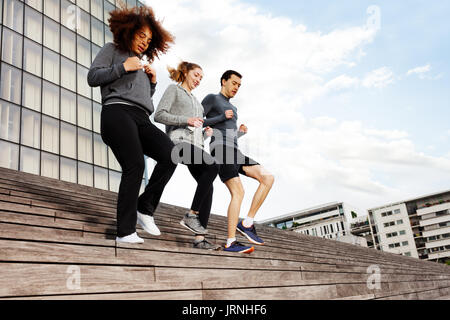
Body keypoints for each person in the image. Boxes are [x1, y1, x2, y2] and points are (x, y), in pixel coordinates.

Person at [87, 5, 176, 244]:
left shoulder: (142, 64)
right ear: (129, 32)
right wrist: (122, 67)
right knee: (135, 165)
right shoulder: (113, 50)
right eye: (141, 36)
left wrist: (153, 83)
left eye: (148, 40)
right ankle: (125, 231)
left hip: (141, 118)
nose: (145, 42)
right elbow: (92, 77)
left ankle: (145, 208)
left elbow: (145, 102)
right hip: (116, 112)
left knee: (171, 154)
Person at [202, 70, 275, 253]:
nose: (236, 88)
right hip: (219, 149)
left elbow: (229, 133)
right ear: (224, 81)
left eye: (239, 85)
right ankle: (230, 242)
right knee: (238, 192)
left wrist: (240, 133)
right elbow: (198, 120)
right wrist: (219, 117)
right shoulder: (212, 98)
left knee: (268, 178)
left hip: (235, 150)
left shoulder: (233, 109)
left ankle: (247, 223)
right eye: (234, 83)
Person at [154, 62, 220, 250]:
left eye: (201, 77)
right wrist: (186, 119)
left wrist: (206, 135)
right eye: (196, 75)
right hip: (178, 143)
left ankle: (200, 239)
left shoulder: (198, 104)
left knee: (208, 187)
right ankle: (191, 215)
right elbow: (159, 115)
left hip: (196, 146)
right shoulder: (173, 90)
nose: (198, 80)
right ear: (186, 72)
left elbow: (196, 130)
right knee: (213, 166)